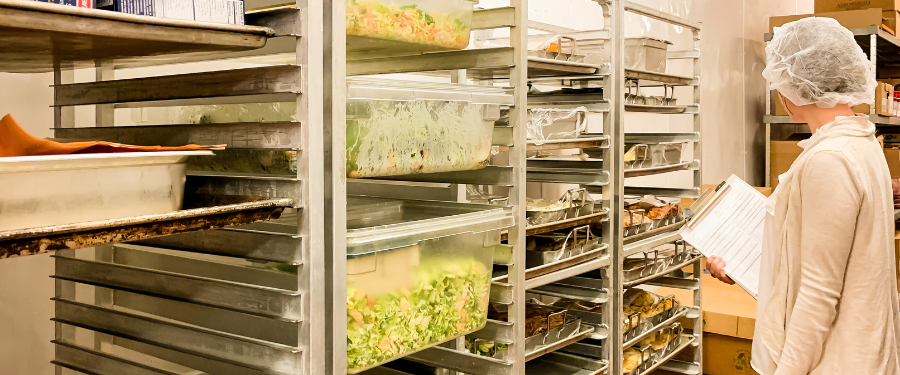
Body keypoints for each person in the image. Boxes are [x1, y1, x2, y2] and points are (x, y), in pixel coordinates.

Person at [706, 17, 900, 375]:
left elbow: (819, 293)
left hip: (834, 363)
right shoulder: (859, 143)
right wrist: (750, 266)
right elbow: (821, 252)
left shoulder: (830, 160)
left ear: (792, 89)